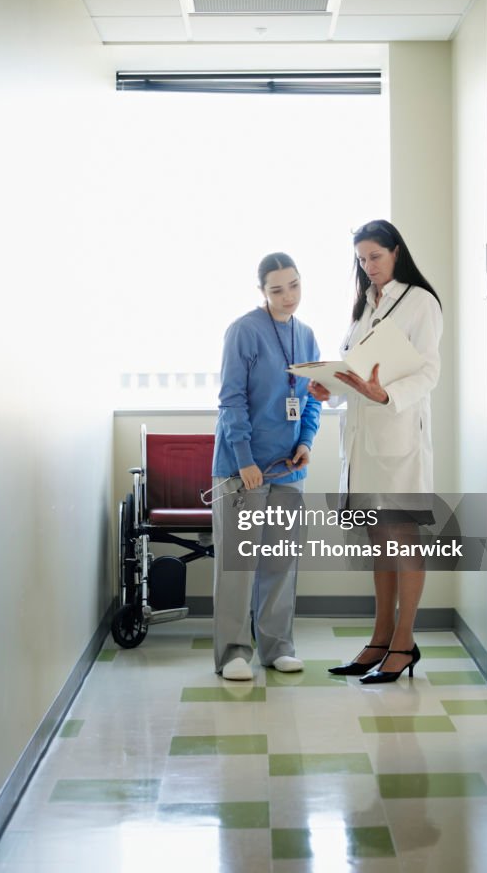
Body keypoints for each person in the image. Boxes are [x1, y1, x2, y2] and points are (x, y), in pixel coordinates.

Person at [309, 220, 442, 684]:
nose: (368, 267)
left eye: (375, 257)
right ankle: (380, 639)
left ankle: (404, 643)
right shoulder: (364, 306)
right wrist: (332, 390)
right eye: (362, 260)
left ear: (396, 252)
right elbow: (359, 377)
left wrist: (385, 397)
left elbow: (427, 373)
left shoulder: (420, 302)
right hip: (363, 444)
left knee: (402, 541)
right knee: (380, 545)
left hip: (399, 441)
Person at [211, 253, 321, 681]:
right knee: (240, 565)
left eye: (294, 285)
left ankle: (277, 647)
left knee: (279, 562)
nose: (288, 296)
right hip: (244, 470)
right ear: (262, 292)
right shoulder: (243, 332)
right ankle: (233, 653)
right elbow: (231, 400)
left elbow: (312, 397)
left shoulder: (307, 336)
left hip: (288, 468)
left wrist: (307, 442)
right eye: (277, 289)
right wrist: (244, 461)